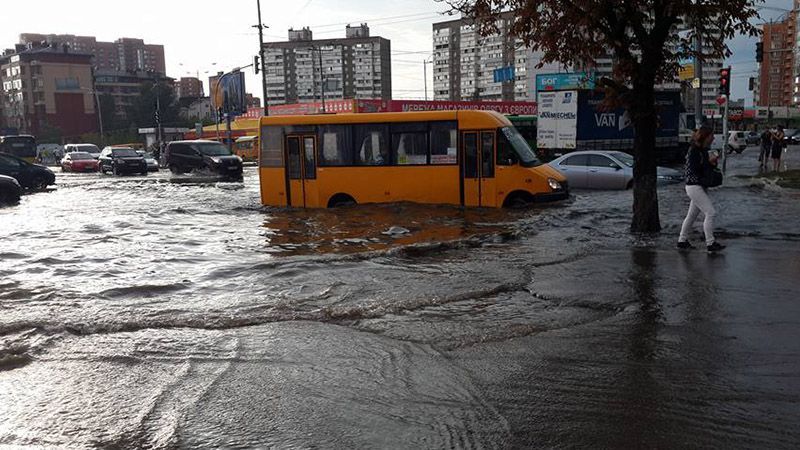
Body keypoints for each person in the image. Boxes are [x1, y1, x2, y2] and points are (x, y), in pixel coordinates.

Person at [678, 124, 725, 253]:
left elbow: (705, 168)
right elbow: (693, 169)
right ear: (706, 136)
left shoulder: (702, 150)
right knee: (710, 212)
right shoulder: (694, 151)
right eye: (712, 136)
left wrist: (712, 162)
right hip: (694, 186)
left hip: (699, 186)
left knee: (691, 216)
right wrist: (708, 163)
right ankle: (710, 243)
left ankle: (682, 241)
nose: (713, 138)